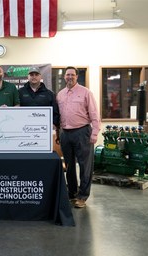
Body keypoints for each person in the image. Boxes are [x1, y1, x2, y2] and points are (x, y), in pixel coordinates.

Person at [56, 66, 101, 209]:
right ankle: (72, 193)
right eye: (67, 75)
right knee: (68, 167)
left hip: (82, 132)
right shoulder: (60, 94)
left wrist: (94, 133)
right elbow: (59, 117)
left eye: (72, 75)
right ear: (64, 77)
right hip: (65, 134)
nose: (69, 77)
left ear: (77, 77)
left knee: (84, 166)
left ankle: (82, 196)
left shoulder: (86, 92)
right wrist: (58, 134)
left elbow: (94, 114)